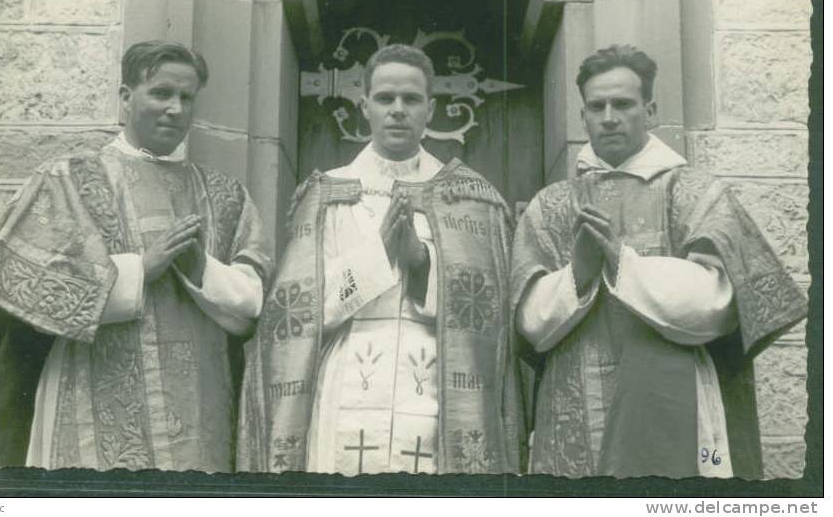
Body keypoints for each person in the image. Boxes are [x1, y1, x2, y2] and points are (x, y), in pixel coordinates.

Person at [510, 44, 806, 479]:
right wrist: (579, 274)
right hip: (572, 399)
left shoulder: (694, 192)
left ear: (649, 111)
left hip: (673, 398)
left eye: (623, 104)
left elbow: (720, 304)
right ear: (583, 117)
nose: (609, 116)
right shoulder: (551, 205)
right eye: (597, 106)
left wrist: (623, 264)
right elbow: (528, 325)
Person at [237, 44, 524, 474]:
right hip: (346, 380)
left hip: (436, 385)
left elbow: (489, 315)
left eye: (411, 99)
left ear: (431, 109)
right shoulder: (328, 192)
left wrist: (422, 263)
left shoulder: (468, 197)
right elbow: (298, 311)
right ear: (364, 104)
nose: (397, 110)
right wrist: (378, 257)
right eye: (386, 98)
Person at [0, 40, 272, 472]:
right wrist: (140, 269)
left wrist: (201, 270)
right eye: (161, 93)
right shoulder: (70, 178)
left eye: (186, 97)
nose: (175, 108)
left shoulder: (225, 195)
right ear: (125, 97)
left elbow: (254, 302)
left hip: (201, 406)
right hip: (91, 391)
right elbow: (18, 284)